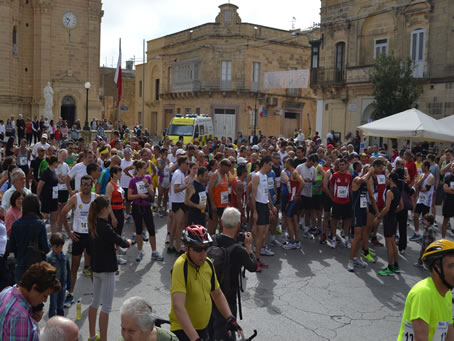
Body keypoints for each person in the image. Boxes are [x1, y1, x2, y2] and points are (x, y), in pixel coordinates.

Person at [169, 225, 244, 341]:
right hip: (183, 330)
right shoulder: (181, 266)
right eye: (198, 249)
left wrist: (230, 318)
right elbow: (178, 307)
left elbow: (217, 294)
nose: (203, 253)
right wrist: (195, 339)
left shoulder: (207, 263)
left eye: (206, 248)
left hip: (203, 329)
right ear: (187, 248)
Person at [87, 195, 132, 341]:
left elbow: (97, 246)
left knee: (95, 302)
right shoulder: (105, 227)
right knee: (106, 308)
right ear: (105, 209)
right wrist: (129, 242)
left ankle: (93, 336)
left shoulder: (93, 224)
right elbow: (121, 241)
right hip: (107, 269)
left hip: (96, 268)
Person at [210, 207, 257, 341]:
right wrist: (248, 247)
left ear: (221, 222)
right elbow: (253, 266)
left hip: (209, 294)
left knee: (209, 332)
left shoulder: (212, 240)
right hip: (228, 298)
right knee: (226, 334)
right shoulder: (238, 249)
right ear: (238, 225)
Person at [397, 239, 454, 341]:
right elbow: (421, 338)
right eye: (452, 266)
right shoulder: (423, 293)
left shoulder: (447, 293)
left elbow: (449, 332)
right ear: (437, 268)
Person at [59, 175, 96, 308]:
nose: (85, 186)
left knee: (92, 267)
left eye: (88, 184)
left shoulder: (95, 198)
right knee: (74, 267)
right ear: (80, 185)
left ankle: (97, 295)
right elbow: (63, 213)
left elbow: (105, 213)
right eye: (83, 184)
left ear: (91, 185)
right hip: (78, 236)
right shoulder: (75, 198)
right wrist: (69, 232)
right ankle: (70, 294)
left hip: (91, 235)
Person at [0, 261, 61, 341]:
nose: (45, 300)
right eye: (44, 296)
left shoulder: (6, 291)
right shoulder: (21, 318)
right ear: (34, 287)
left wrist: (30, 319)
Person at [128, 160, 164, 262]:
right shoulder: (133, 180)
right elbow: (129, 196)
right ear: (139, 169)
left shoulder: (147, 178)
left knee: (151, 229)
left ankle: (154, 252)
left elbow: (152, 194)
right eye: (144, 168)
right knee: (139, 230)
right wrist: (139, 195)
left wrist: (147, 185)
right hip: (137, 207)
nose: (145, 170)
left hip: (147, 207)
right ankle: (140, 251)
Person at [9, 194, 50, 282]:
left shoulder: (15, 224)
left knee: (21, 294)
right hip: (37, 267)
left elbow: (11, 247)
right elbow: (46, 248)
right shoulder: (40, 224)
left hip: (21, 265)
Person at [251, 156, 277, 271]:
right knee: (260, 234)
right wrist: (255, 211)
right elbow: (253, 196)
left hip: (265, 206)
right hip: (259, 206)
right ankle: (255, 261)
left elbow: (267, 194)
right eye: (270, 164)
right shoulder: (257, 176)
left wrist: (271, 207)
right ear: (265, 164)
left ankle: (258, 257)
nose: (271, 167)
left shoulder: (266, 176)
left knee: (263, 235)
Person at [375, 172, 403, 276]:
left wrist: (379, 216)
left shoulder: (389, 191)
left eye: (387, 178)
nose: (386, 179)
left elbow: (386, 208)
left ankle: (390, 267)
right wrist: (393, 212)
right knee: (393, 242)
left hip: (388, 219)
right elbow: (401, 206)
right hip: (394, 218)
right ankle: (396, 265)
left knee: (389, 244)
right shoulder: (398, 191)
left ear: (391, 179)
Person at [105, 165, 127, 264]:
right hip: (114, 211)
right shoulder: (110, 185)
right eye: (119, 172)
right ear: (114, 174)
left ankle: (117, 249)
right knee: (114, 232)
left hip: (120, 210)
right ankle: (115, 255)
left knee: (119, 231)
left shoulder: (118, 183)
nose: (121, 174)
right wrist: (112, 217)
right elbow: (108, 203)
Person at [46, 233, 71, 318]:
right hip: (54, 286)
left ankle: (61, 322)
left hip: (63, 285)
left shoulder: (65, 256)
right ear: (52, 246)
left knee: (60, 305)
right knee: (53, 305)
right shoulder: (49, 258)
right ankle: (51, 322)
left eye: (61, 247)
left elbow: (68, 270)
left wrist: (69, 283)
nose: (59, 249)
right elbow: (47, 273)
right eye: (57, 247)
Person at [168, 157, 189, 255]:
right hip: (178, 202)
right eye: (186, 163)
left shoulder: (180, 173)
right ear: (181, 164)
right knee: (178, 226)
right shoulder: (178, 173)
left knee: (175, 225)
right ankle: (178, 248)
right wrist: (186, 185)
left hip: (179, 201)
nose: (187, 165)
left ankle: (171, 246)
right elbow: (176, 189)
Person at [37, 155, 59, 234]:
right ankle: (39, 236)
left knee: (53, 219)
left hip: (54, 198)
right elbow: (39, 186)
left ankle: (54, 236)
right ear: (54, 163)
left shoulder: (54, 171)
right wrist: (38, 198)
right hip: (46, 198)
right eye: (58, 162)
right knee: (43, 219)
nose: (58, 164)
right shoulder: (46, 172)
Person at [441, 162, 454, 238]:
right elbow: (445, 189)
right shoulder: (448, 177)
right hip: (448, 202)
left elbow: (448, 189)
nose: (453, 167)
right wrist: (450, 189)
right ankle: (443, 239)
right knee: (445, 221)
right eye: (452, 166)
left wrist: (451, 189)